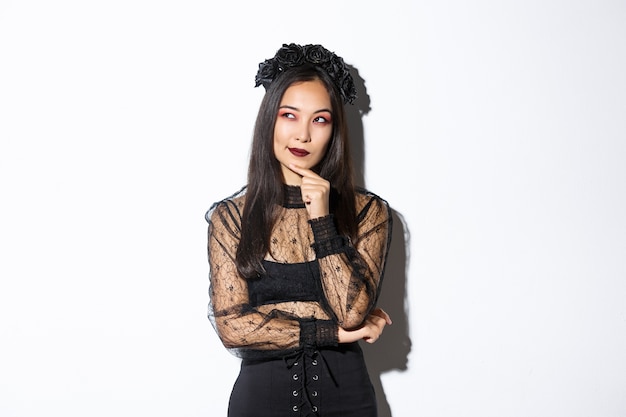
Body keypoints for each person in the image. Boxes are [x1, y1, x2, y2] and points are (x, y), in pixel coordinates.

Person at [205, 43, 393, 417]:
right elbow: (232, 327)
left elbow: (352, 313)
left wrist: (322, 219)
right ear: (269, 120)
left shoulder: (370, 213)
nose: (303, 135)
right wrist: (332, 334)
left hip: (348, 401)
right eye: (289, 115)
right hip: (261, 401)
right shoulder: (230, 218)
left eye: (319, 119)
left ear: (335, 130)